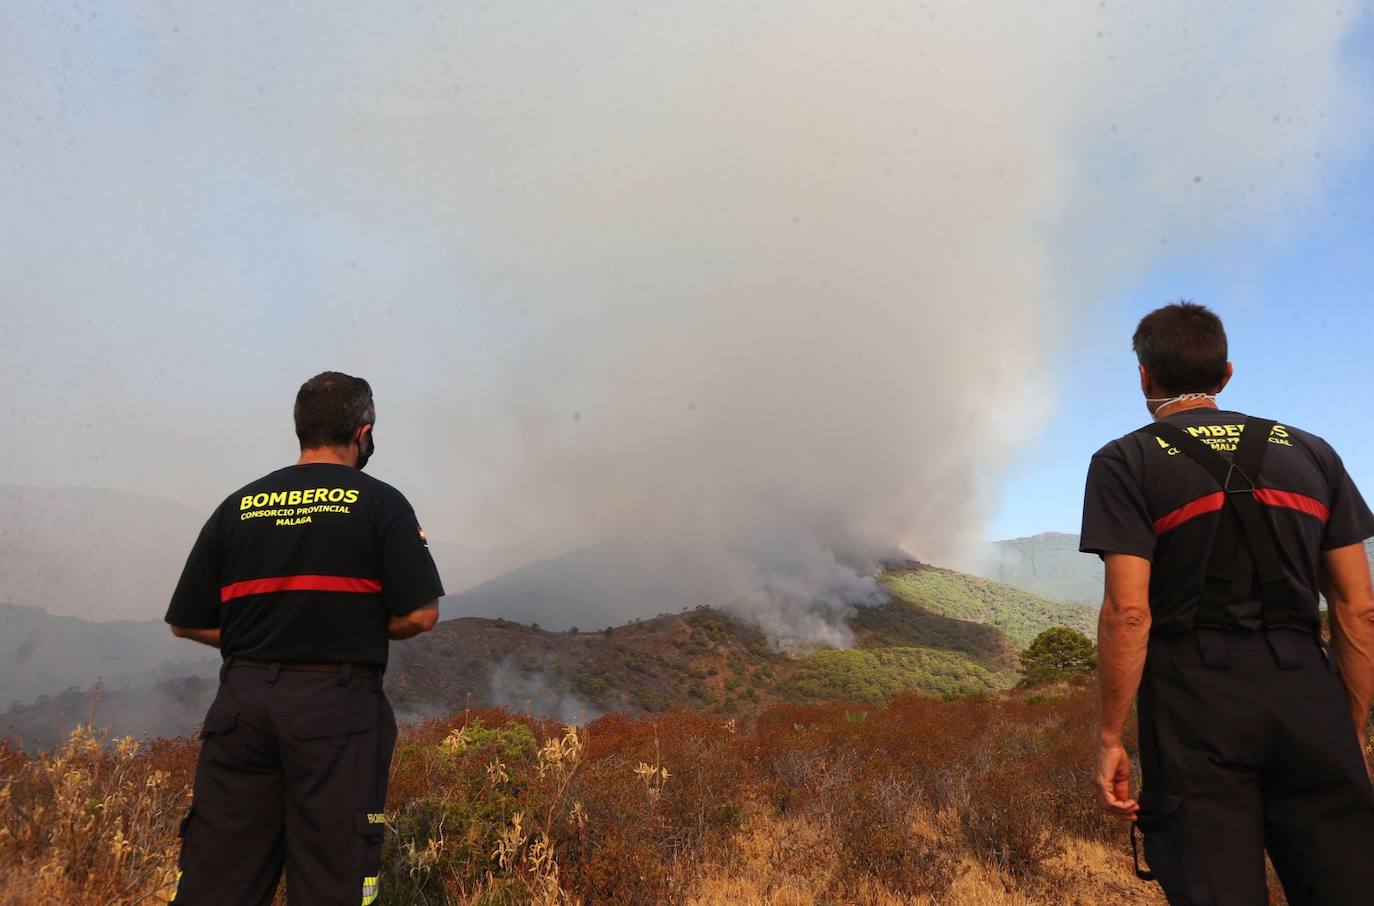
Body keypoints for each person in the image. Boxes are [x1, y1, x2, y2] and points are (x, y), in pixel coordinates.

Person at [1080, 302, 1374, 905]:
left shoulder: (1125, 460)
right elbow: (1357, 608)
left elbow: (1129, 613)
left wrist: (1111, 735)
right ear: (1227, 373)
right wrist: (1348, 725)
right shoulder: (1313, 452)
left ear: (1144, 375)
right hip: (1306, 689)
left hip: (1194, 699)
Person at [164, 371, 444, 906]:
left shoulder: (238, 506)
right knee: (332, 882)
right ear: (363, 434)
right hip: (334, 713)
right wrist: (342, 627)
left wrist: (263, 637)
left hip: (242, 708)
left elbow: (185, 620)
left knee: (217, 882)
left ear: (301, 430)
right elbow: (420, 614)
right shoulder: (381, 504)